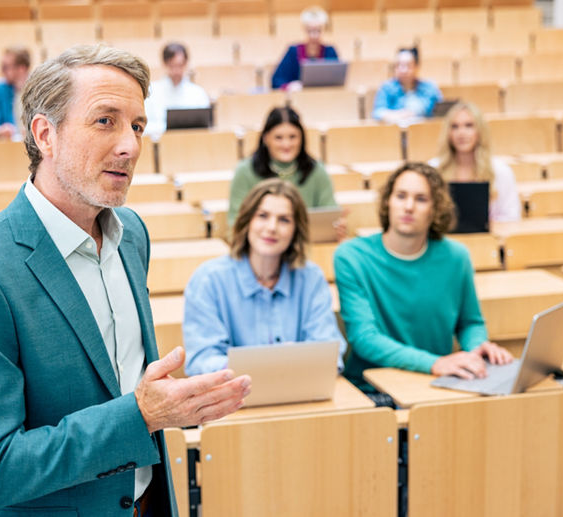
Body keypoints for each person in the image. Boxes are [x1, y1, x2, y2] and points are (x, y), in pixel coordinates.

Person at [0, 44, 251, 516]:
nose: (131, 145)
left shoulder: (132, 233)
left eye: (137, 126)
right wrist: (141, 416)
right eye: (106, 121)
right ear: (45, 134)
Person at [333, 163, 512, 390]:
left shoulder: (456, 257)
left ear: (435, 209)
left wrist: (477, 348)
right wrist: (435, 363)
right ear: (388, 202)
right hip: (373, 387)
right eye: (400, 196)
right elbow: (365, 338)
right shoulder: (352, 257)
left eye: (421, 199)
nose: (408, 207)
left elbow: (470, 322)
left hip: (438, 382)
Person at [184, 178, 346, 376]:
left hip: (300, 394)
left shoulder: (311, 278)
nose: (271, 227)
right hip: (232, 398)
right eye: (263, 216)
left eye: (284, 220)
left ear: (296, 230)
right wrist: (270, 367)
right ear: (247, 221)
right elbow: (201, 360)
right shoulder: (208, 280)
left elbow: (329, 350)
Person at [228, 106, 344, 238]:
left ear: (302, 138)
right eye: (278, 138)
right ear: (266, 138)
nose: (286, 144)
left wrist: (336, 227)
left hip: (307, 246)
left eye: (293, 137)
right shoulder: (245, 171)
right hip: (260, 249)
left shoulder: (317, 170)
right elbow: (235, 224)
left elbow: (329, 215)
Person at [428, 101, 521, 222]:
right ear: (448, 133)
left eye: (469, 125)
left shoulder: (501, 171)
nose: (461, 133)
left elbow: (511, 217)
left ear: (480, 131)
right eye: (454, 127)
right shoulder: (433, 170)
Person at [143, 42, 211, 138]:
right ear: (165, 64)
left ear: (186, 63)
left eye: (180, 65)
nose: (176, 71)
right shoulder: (151, 91)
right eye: (172, 65)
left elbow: (206, 127)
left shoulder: (198, 93)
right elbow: (144, 126)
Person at [271, 6, 338, 91]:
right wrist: (289, 86)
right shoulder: (293, 52)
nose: (314, 35)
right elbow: (276, 81)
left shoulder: (330, 51)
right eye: (310, 31)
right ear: (304, 29)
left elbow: (337, 81)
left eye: (318, 31)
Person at [372, 47, 442, 125]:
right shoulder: (386, 88)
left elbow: (442, 112)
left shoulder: (430, 88)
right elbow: (377, 113)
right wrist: (400, 115)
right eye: (399, 65)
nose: (403, 70)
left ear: (416, 67)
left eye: (408, 66)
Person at [0, 46, 31, 140]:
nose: (2, 71)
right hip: (8, 147)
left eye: (5, 67)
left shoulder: (38, 89)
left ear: (22, 68)